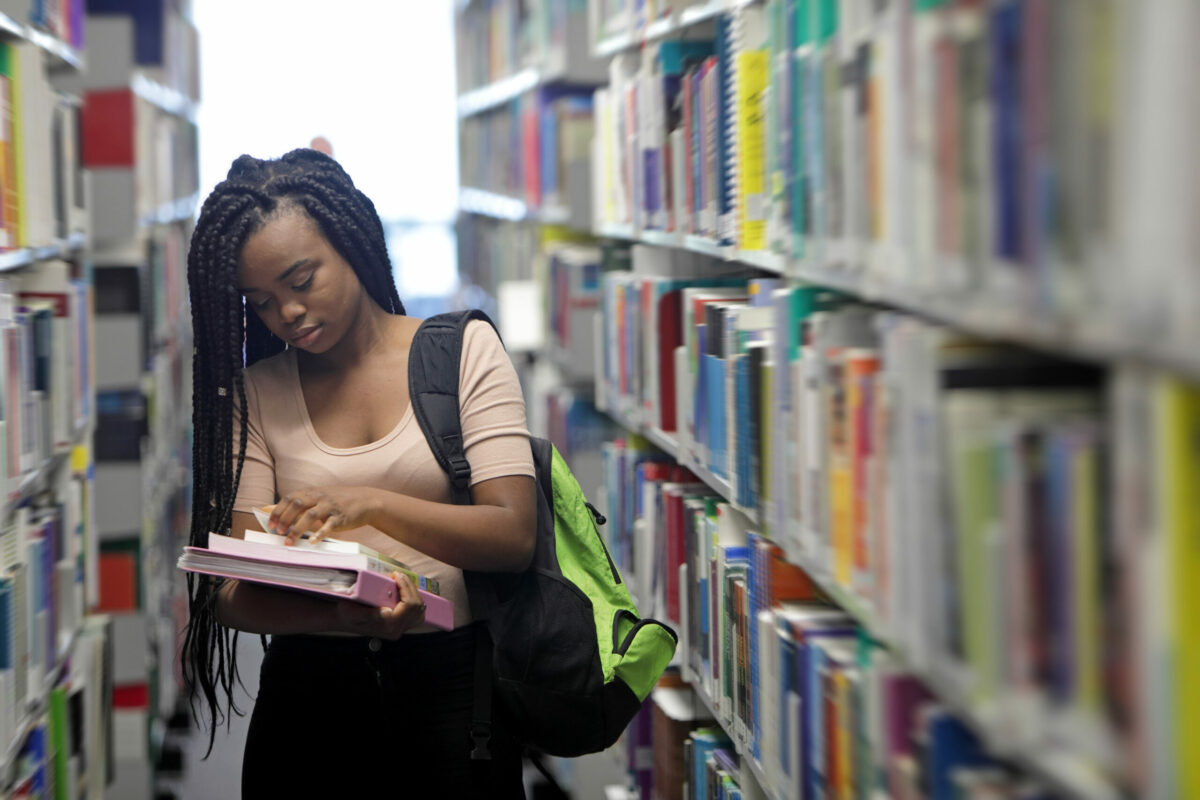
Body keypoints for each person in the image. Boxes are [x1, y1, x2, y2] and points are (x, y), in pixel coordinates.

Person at [181, 148, 535, 797]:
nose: (285, 313)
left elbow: (513, 535)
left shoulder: (462, 352)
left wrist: (368, 506)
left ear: (350, 240)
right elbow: (232, 595)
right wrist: (354, 619)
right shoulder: (255, 395)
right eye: (260, 301)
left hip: (458, 697)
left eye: (301, 280)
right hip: (309, 704)